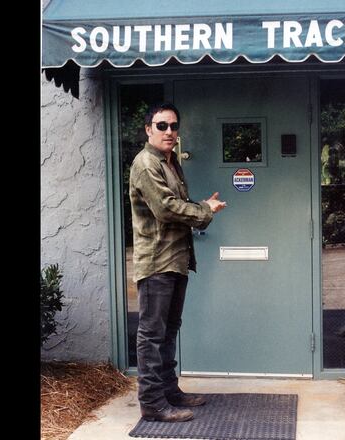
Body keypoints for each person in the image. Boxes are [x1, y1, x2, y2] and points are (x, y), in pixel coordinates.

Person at [129, 102, 227, 422]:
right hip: (157, 261)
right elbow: (166, 208)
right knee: (152, 333)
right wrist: (204, 211)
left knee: (169, 330)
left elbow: (174, 205)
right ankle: (153, 404)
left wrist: (201, 211)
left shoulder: (169, 162)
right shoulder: (146, 164)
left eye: (173, 126)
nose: (169, 131)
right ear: (148, 129)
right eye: (161, 126)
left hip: (175, 259)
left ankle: (169, 390)